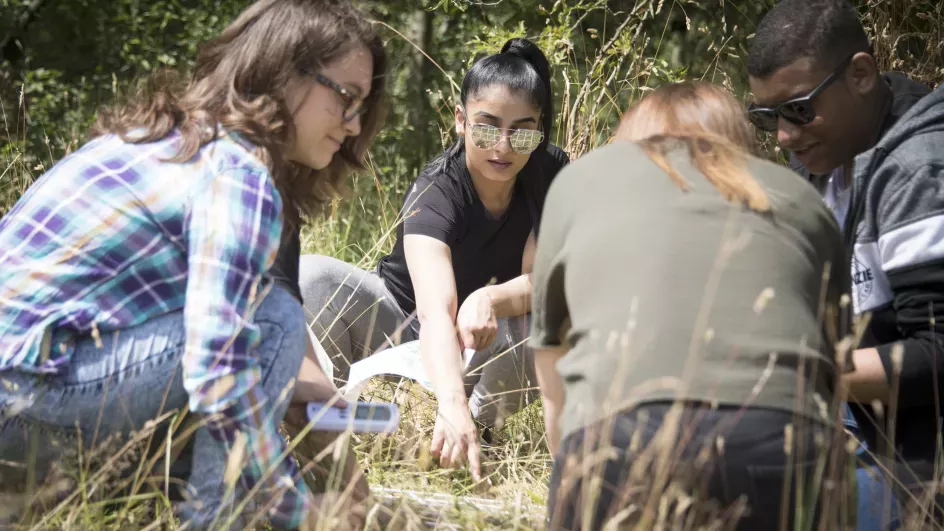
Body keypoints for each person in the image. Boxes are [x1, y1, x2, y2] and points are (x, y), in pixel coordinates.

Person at [0, 0, 386, 528]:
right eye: (346, 97)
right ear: (282, 74)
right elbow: (216, 367)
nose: (354, 123)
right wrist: (295, 512)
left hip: (27, 391)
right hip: (24, 400)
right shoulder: (239, 174)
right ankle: (222, 518)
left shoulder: (169, 140)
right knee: (273, 318)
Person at [531, 82, 854, 530]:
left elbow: (551, 363)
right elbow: (833, 371)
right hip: (783, 444)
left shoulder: (583, 180)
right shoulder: (800, 197)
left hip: (617, 445)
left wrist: (571, 473)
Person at [297, 37, 569, 480]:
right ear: (460, 121)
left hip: (481, 345)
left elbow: (546, 279)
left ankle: (476, 433)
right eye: (486, 127)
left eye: (521, 131)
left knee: (551, 314)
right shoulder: (437, 189)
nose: (502, 146)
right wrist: (449, 397)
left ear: (539, 130)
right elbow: (434, 312)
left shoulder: (553, 172)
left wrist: (491, 299)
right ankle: (338, 419)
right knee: (313, 276)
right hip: (402, 322)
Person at [747, 0, 944, 510]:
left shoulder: (917, 169)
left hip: (917, 461)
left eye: (799, 108)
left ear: (860, 74)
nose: (786, 136)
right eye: (768, 118)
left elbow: (939, 352)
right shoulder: (818, 161)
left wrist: (797, 377)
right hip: (852, 422)